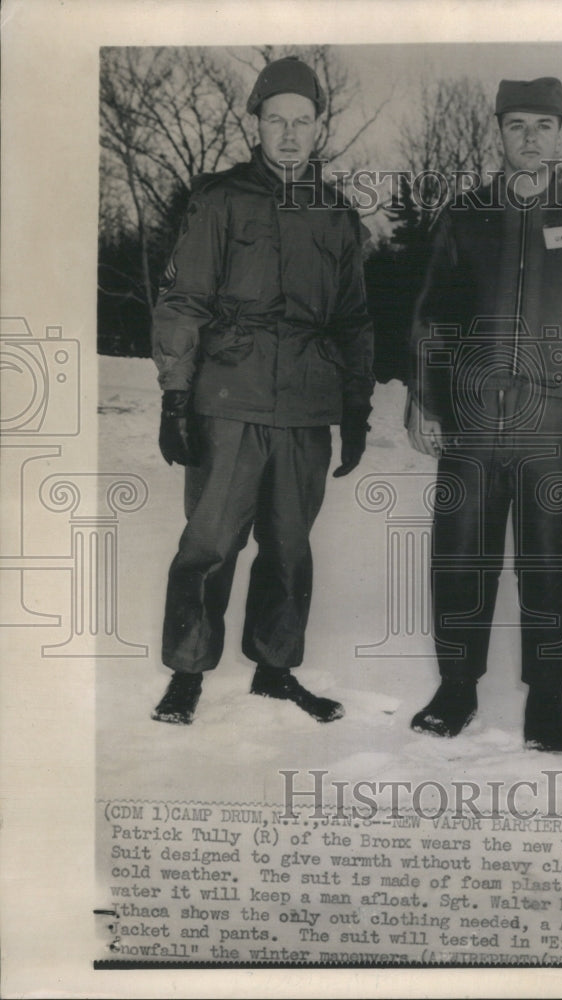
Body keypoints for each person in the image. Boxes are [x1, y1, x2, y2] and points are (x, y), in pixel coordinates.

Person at [406, 76, 562, 751]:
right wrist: (424, 399)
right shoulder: (466, 216)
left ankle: (548, 698)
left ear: (561, 134)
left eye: (543, 126)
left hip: (553, 425)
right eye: (517, 126)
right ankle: (456, 687)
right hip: (473, 422)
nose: (529, 138)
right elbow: (431, 317)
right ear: (499, 132)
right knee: (460, 558)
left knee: (553, 561)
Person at [150, 57, 374, 725]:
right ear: (257, 124)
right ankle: (187, 676)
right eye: (276, 120)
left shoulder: (336, 215)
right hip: (228, 401)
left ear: (317, 129)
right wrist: (175, 396)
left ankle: (275, 669)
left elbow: (354, 319)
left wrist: (355, 409)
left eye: (301, 122)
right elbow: (183, 300)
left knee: (289, 545)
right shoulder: (219, 200)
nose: (288, 134)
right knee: (211, 545)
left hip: (305, 408)